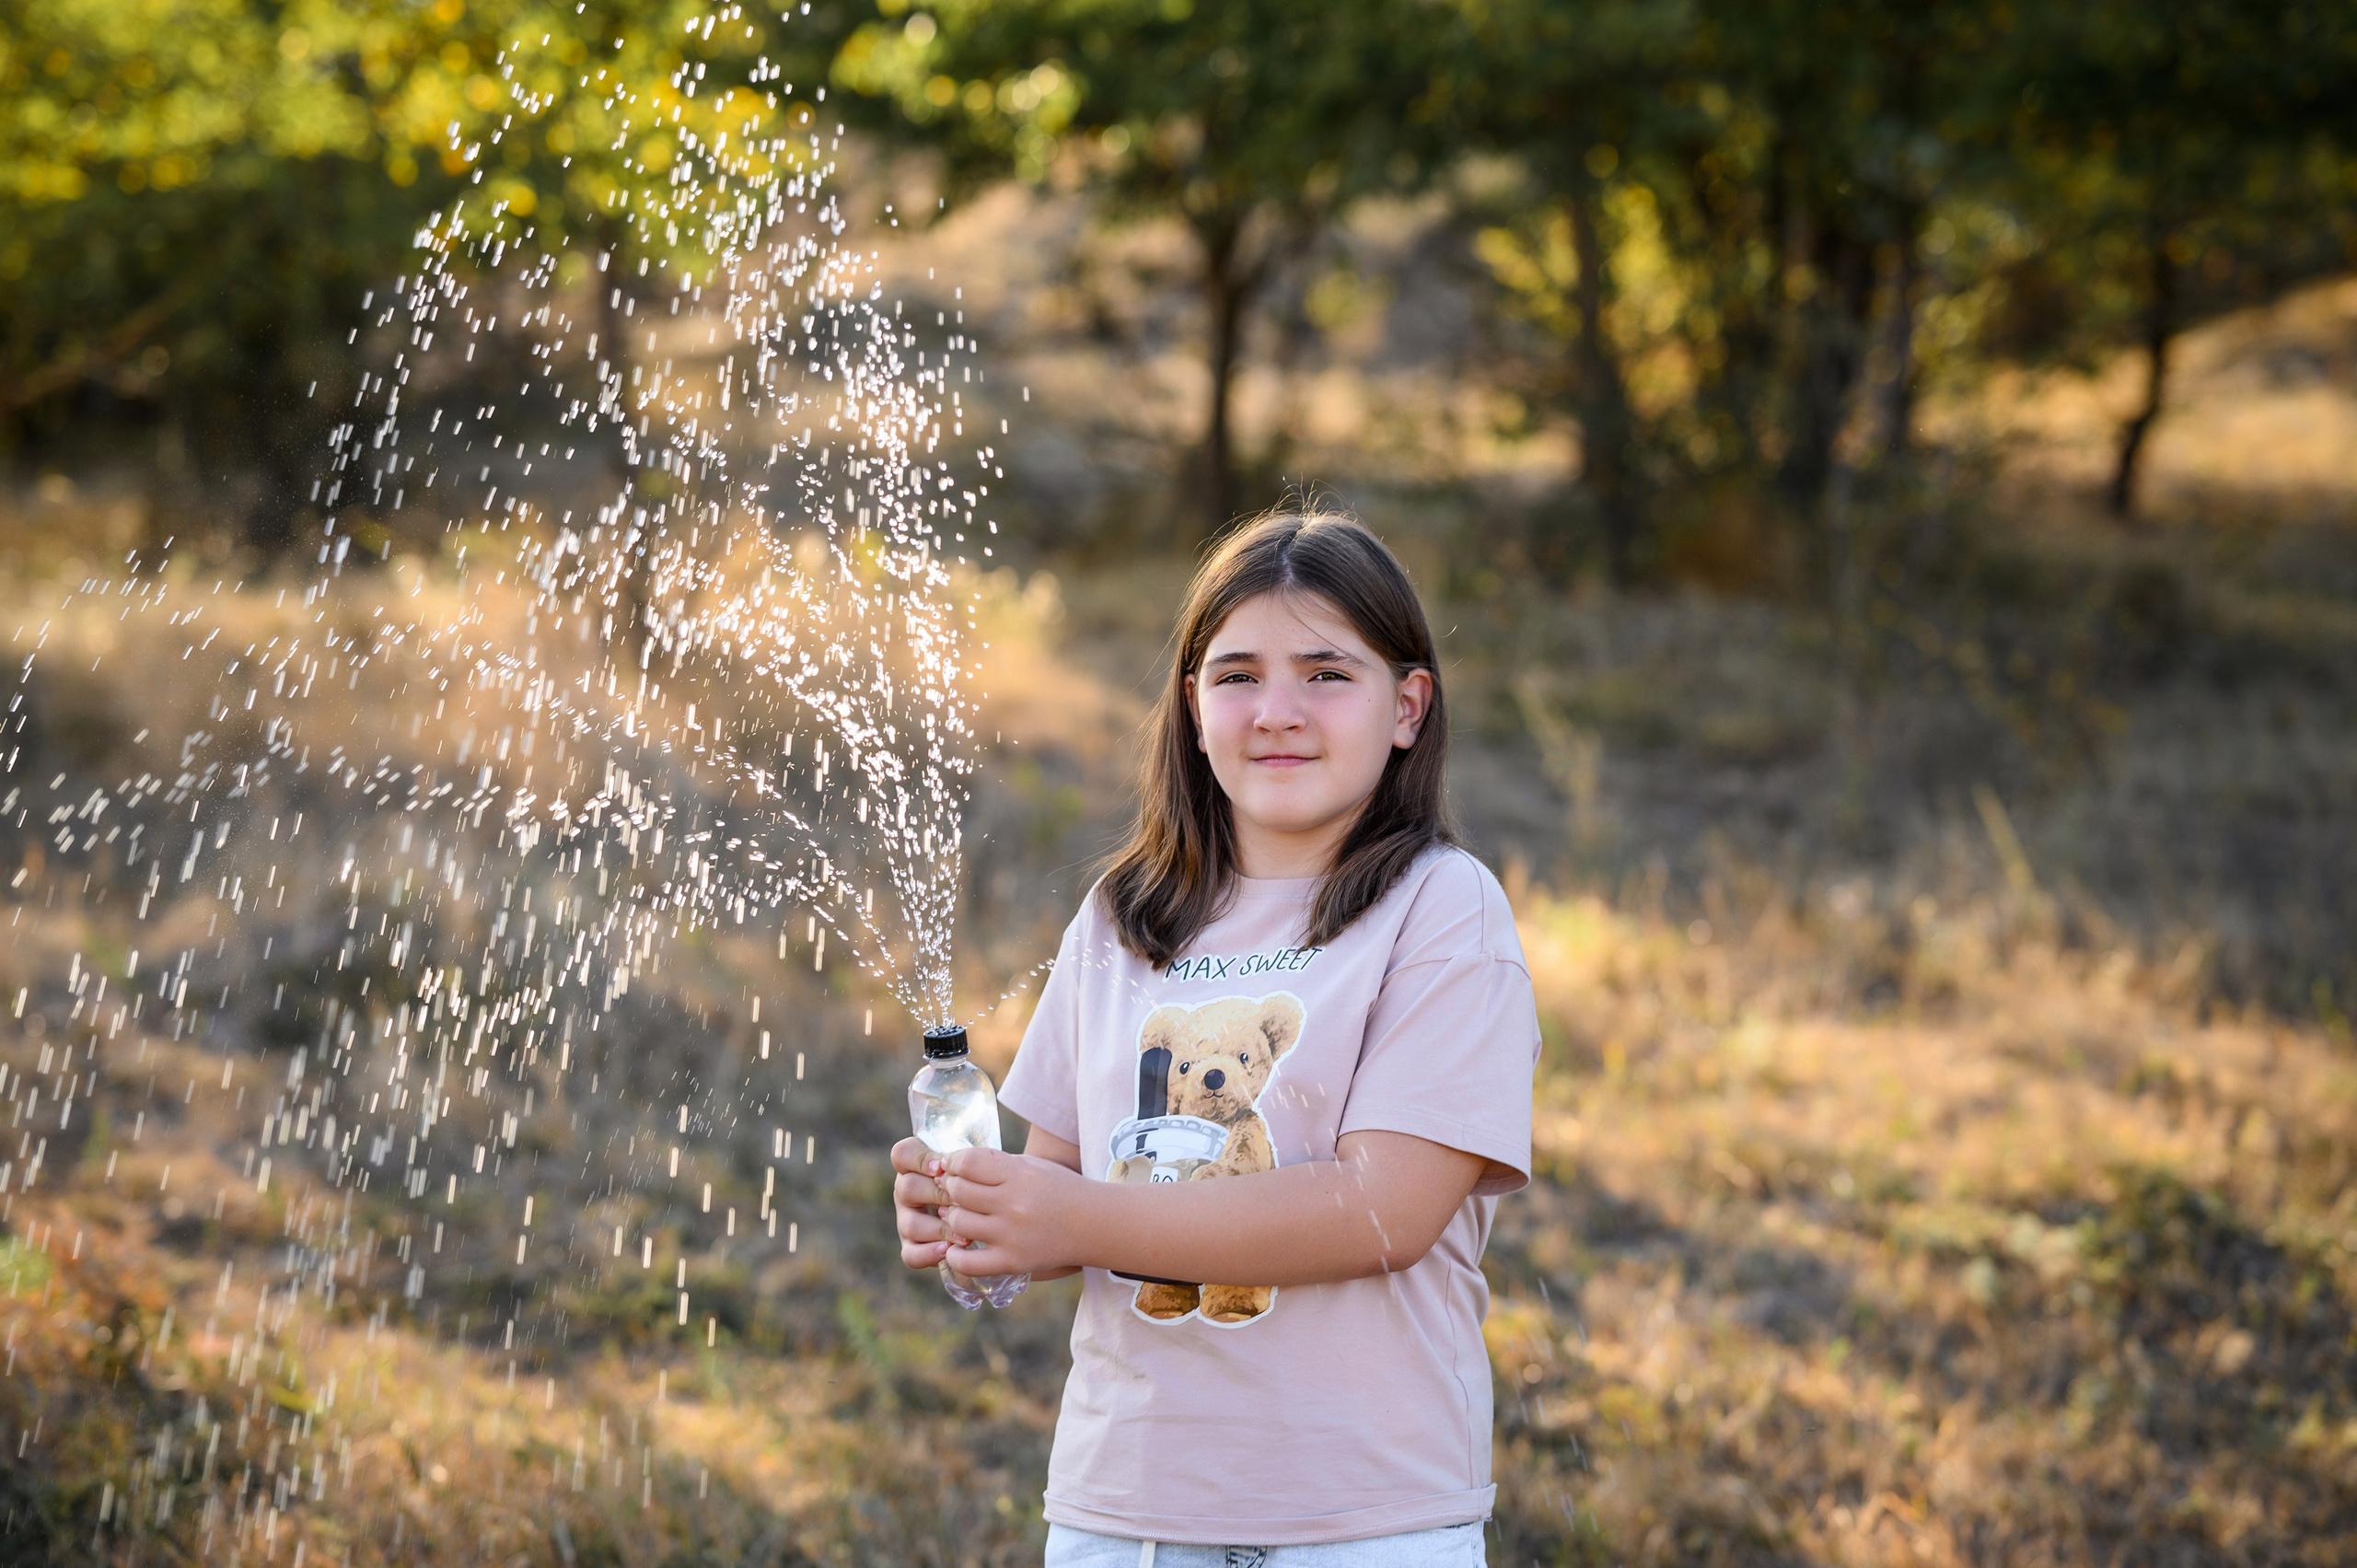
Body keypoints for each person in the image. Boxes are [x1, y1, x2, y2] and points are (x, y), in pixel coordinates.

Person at [892, 510, 1540, 1567]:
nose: (1276, 711)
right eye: (1236, 674)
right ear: (1192, 708)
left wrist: (1082, 1216)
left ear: (1407, 706)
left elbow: (1386, 1210)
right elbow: (1057, 1184)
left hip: (1362, 1520)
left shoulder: (1441, 909)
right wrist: (981, 1222)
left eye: (1327, 673)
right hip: (1125, 1513)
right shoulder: (1121, 916)